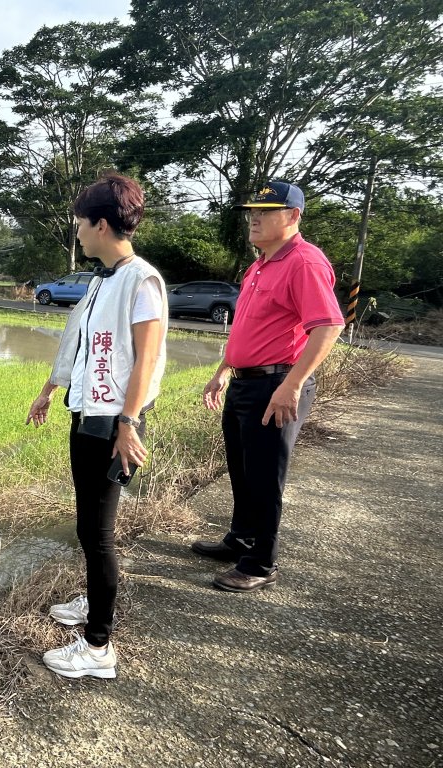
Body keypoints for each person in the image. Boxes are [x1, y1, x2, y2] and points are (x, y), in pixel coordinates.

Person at [26, 173, 167, 679]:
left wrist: (128, 423)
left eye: (81, 225)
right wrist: (49, 389)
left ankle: (98, 647)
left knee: (100, 533)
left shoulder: (140, 279)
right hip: (87, 415)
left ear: (102, 224)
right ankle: (92, 603)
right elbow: (78, 345)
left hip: (115, 425)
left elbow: (147, 361)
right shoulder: (101, 279)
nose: (78, 234)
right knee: (88, 527)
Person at [192, 181, 344, 592]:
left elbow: (328, 326)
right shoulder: (260, 263)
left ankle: (260, 564)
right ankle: (241, 538)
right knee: (241, 469)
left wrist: (291, 385)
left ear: (293, 216)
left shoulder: (305, 263)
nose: (254, 218)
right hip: (245, 383)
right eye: (252, 211)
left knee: (264, 476)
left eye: (267, 210)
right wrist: (223, 370)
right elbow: (247, 327)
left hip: (276, 384)